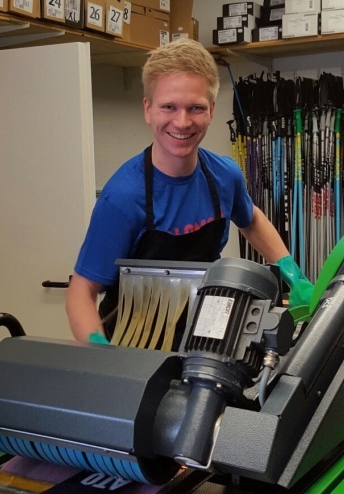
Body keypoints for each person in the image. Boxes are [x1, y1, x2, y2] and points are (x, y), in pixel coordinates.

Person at [66, 38, 313, 345]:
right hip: (134, 343)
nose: (182, 122)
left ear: (211, 111)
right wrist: (101, 353)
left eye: (195, 108)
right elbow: (81, 292)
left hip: (203, 331)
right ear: (148, 109)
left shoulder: (225, 175)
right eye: (168, 107)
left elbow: (251, 220)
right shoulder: (123, 197)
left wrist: (291, 272)